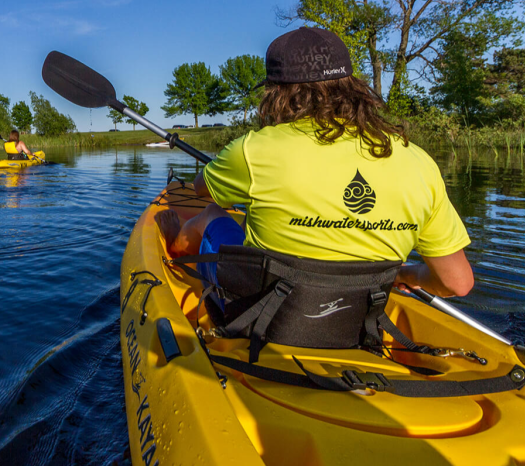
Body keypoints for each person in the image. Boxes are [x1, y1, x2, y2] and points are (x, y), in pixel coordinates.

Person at [156, 27, 473, 298]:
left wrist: (222, 173)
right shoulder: (418, 162)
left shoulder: (254, 150)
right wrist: (408, 276)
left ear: (277, 92)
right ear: (351, 85)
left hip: (266, 318)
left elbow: (201, 190)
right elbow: (457, 283)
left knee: (212, 213)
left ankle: (174, 246)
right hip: (355, 322)